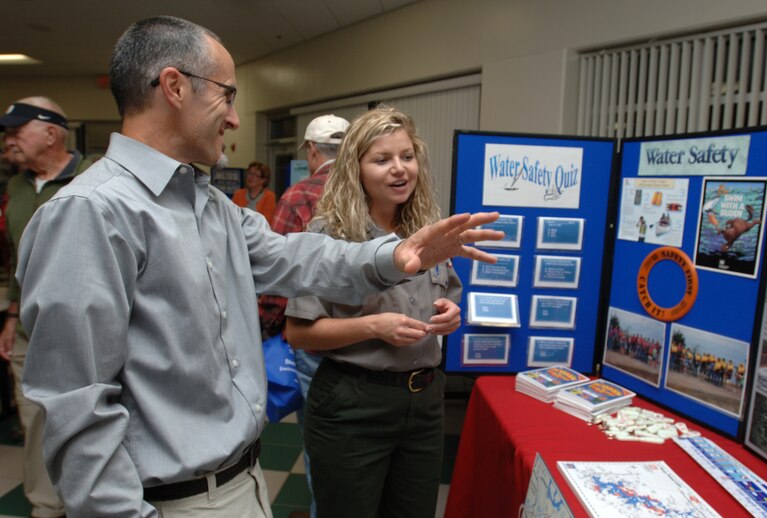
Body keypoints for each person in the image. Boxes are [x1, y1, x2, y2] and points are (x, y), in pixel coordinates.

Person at [14, 16, 502, 518]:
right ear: (175, 87)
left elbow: (293, 257)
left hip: (242, 483)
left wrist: (396, 255)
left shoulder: (207, 204)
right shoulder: (91, 212)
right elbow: (77, 405)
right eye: (227, 95)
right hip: (168, 503)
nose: (235, 118)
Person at [285, 106, 463, 518]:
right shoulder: (329, 235)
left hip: (424, 401)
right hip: (353, 404)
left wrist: (450, 314)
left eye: (407, 156)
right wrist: (372, 327)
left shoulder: (428, 230)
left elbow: (446, 295)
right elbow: (298, 333)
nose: (399, 169)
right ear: (356, 168)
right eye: (382, 160)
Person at [0, 97, 92, 518]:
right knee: (34, 418)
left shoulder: (92, 175)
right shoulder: (17, 187)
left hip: (84, 331)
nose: (9, 140)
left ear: (52, 133)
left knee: (89, 420)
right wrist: (13, 315)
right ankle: (45, 506)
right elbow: (18, 260)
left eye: (18, 130)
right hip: (28, 331)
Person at [259, 112, 349, 518]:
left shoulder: (297, 197)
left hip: (313, 337)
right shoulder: (371, 188)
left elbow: (277, 278)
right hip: (370, 341)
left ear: (312, 151)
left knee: (320, 444)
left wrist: (263, 330)